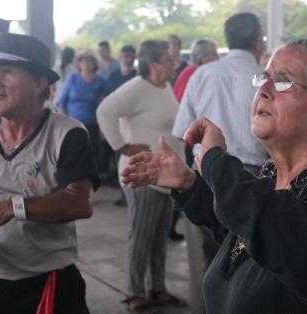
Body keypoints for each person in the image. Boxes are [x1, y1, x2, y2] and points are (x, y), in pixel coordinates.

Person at [122, 38, 307, 313]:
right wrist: (190, 185)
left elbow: (296, 247)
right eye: (264, 77)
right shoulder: (275, 172)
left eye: (283, 81)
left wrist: (216, 162)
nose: (263, 89)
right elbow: (251, 236)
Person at [0, 33, 99, 314]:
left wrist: (11, 208)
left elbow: (80, 202)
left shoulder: (68, 133)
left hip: (50, 284)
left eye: (7, 72)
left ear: (40, 83)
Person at [171, 12, 268, 314]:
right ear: (257, 40)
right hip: (257, 177)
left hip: (206, 175)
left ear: (227, 40)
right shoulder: (265, 77)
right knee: (254, 262)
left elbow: (181, 132)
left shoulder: (202, 74)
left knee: (205, 259)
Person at [96, 40, 187, 313]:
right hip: (142, 175)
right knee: (142, 235)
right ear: (155, 63)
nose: (174, 63)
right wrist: (121, 145)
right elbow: (105, 110)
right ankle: (135, 291)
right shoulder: (136, 88)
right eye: (169, 59)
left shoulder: (165, 87)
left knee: (159, 237)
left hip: (164, 177)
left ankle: (156, 287)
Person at [170, 38, 219, 242]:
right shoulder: (195, 73)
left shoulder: (192, 72)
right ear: (207, 55)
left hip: (196, 147)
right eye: (215, 53)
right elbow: (182, 113)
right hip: (197, 147)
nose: (217, 58)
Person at [57, 51, 105, 165]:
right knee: (73, 155)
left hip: (93, 125)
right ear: (79, 64)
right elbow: (61, 102)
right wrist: (62, 122)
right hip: (73, 124)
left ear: (94, 64)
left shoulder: (100, 81)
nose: (87, 64)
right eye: (83, 61)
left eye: (90, 61)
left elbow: (103, 105)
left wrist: (102, 128)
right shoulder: (73, 79)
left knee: (91, 156)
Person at [100, 44, 138, 188]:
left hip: (130, 122)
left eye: (131, 57)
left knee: (127, 153)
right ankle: (119, 183)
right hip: (113, 121)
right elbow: (105, 97)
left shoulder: (137, 76)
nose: (128, 59)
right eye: (125, 56)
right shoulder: (114, 76)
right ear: (120, 57)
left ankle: (127, 187)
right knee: (114, 153)